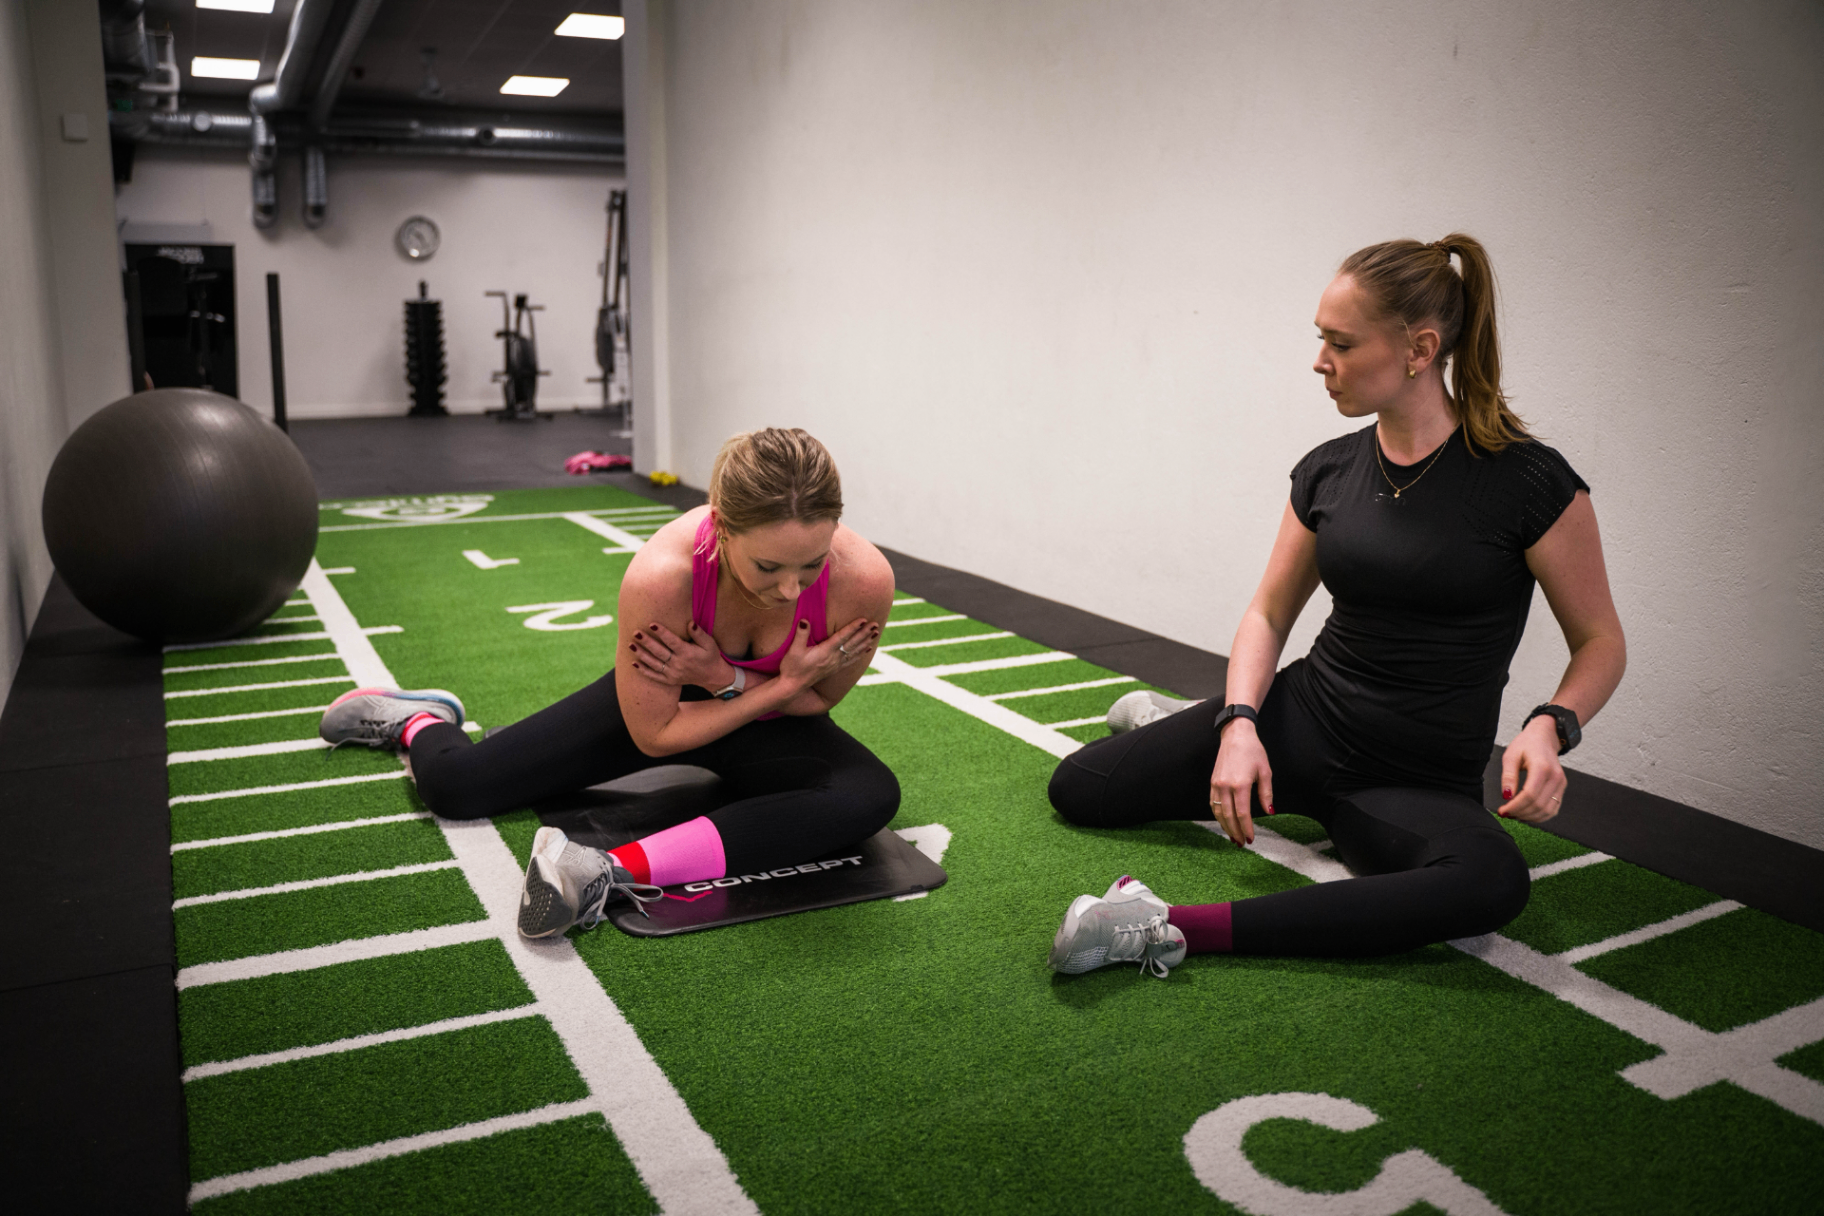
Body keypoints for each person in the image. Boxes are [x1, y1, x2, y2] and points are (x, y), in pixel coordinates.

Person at [1046, 234, 1627, 977]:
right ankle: (1188, 720)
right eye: (1321, 339)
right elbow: (1267, 615)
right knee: (1080, 789)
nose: (1321, 361)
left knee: (1491, 882)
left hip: (1411, 780)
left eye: (1341, 344)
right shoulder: (1329, 470)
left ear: (1418, 349)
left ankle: (1160, 928)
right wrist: (1239, 724)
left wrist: (1552, 726)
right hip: (1297, 726)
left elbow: (1601, 642)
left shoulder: (1532, 484)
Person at [318, 428, 900, 939]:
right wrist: (767, 686)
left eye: (812, 564)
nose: (792, 590)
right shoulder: (664, 575)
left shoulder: (864, 581)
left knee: (869, 794)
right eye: (769, 567)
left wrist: (725, 677)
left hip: (769, 722)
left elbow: (820, 699)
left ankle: (603, 871)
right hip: (674, 706)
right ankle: (420, 720)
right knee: (455, 788)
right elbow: (656, 736)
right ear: (721, 527)